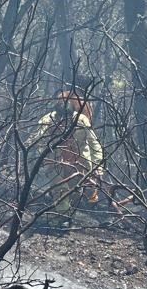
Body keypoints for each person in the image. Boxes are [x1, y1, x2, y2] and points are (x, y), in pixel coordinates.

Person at [31, 88, 104, 220]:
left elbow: (95, 144)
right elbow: (37, 141)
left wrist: (98, 167)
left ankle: (75, 209)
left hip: (79, 163)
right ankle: (62, 218)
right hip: (56, 163)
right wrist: (44, 157)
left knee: (78, 191)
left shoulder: (81, 120)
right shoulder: (47, 121)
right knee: (61, 190)